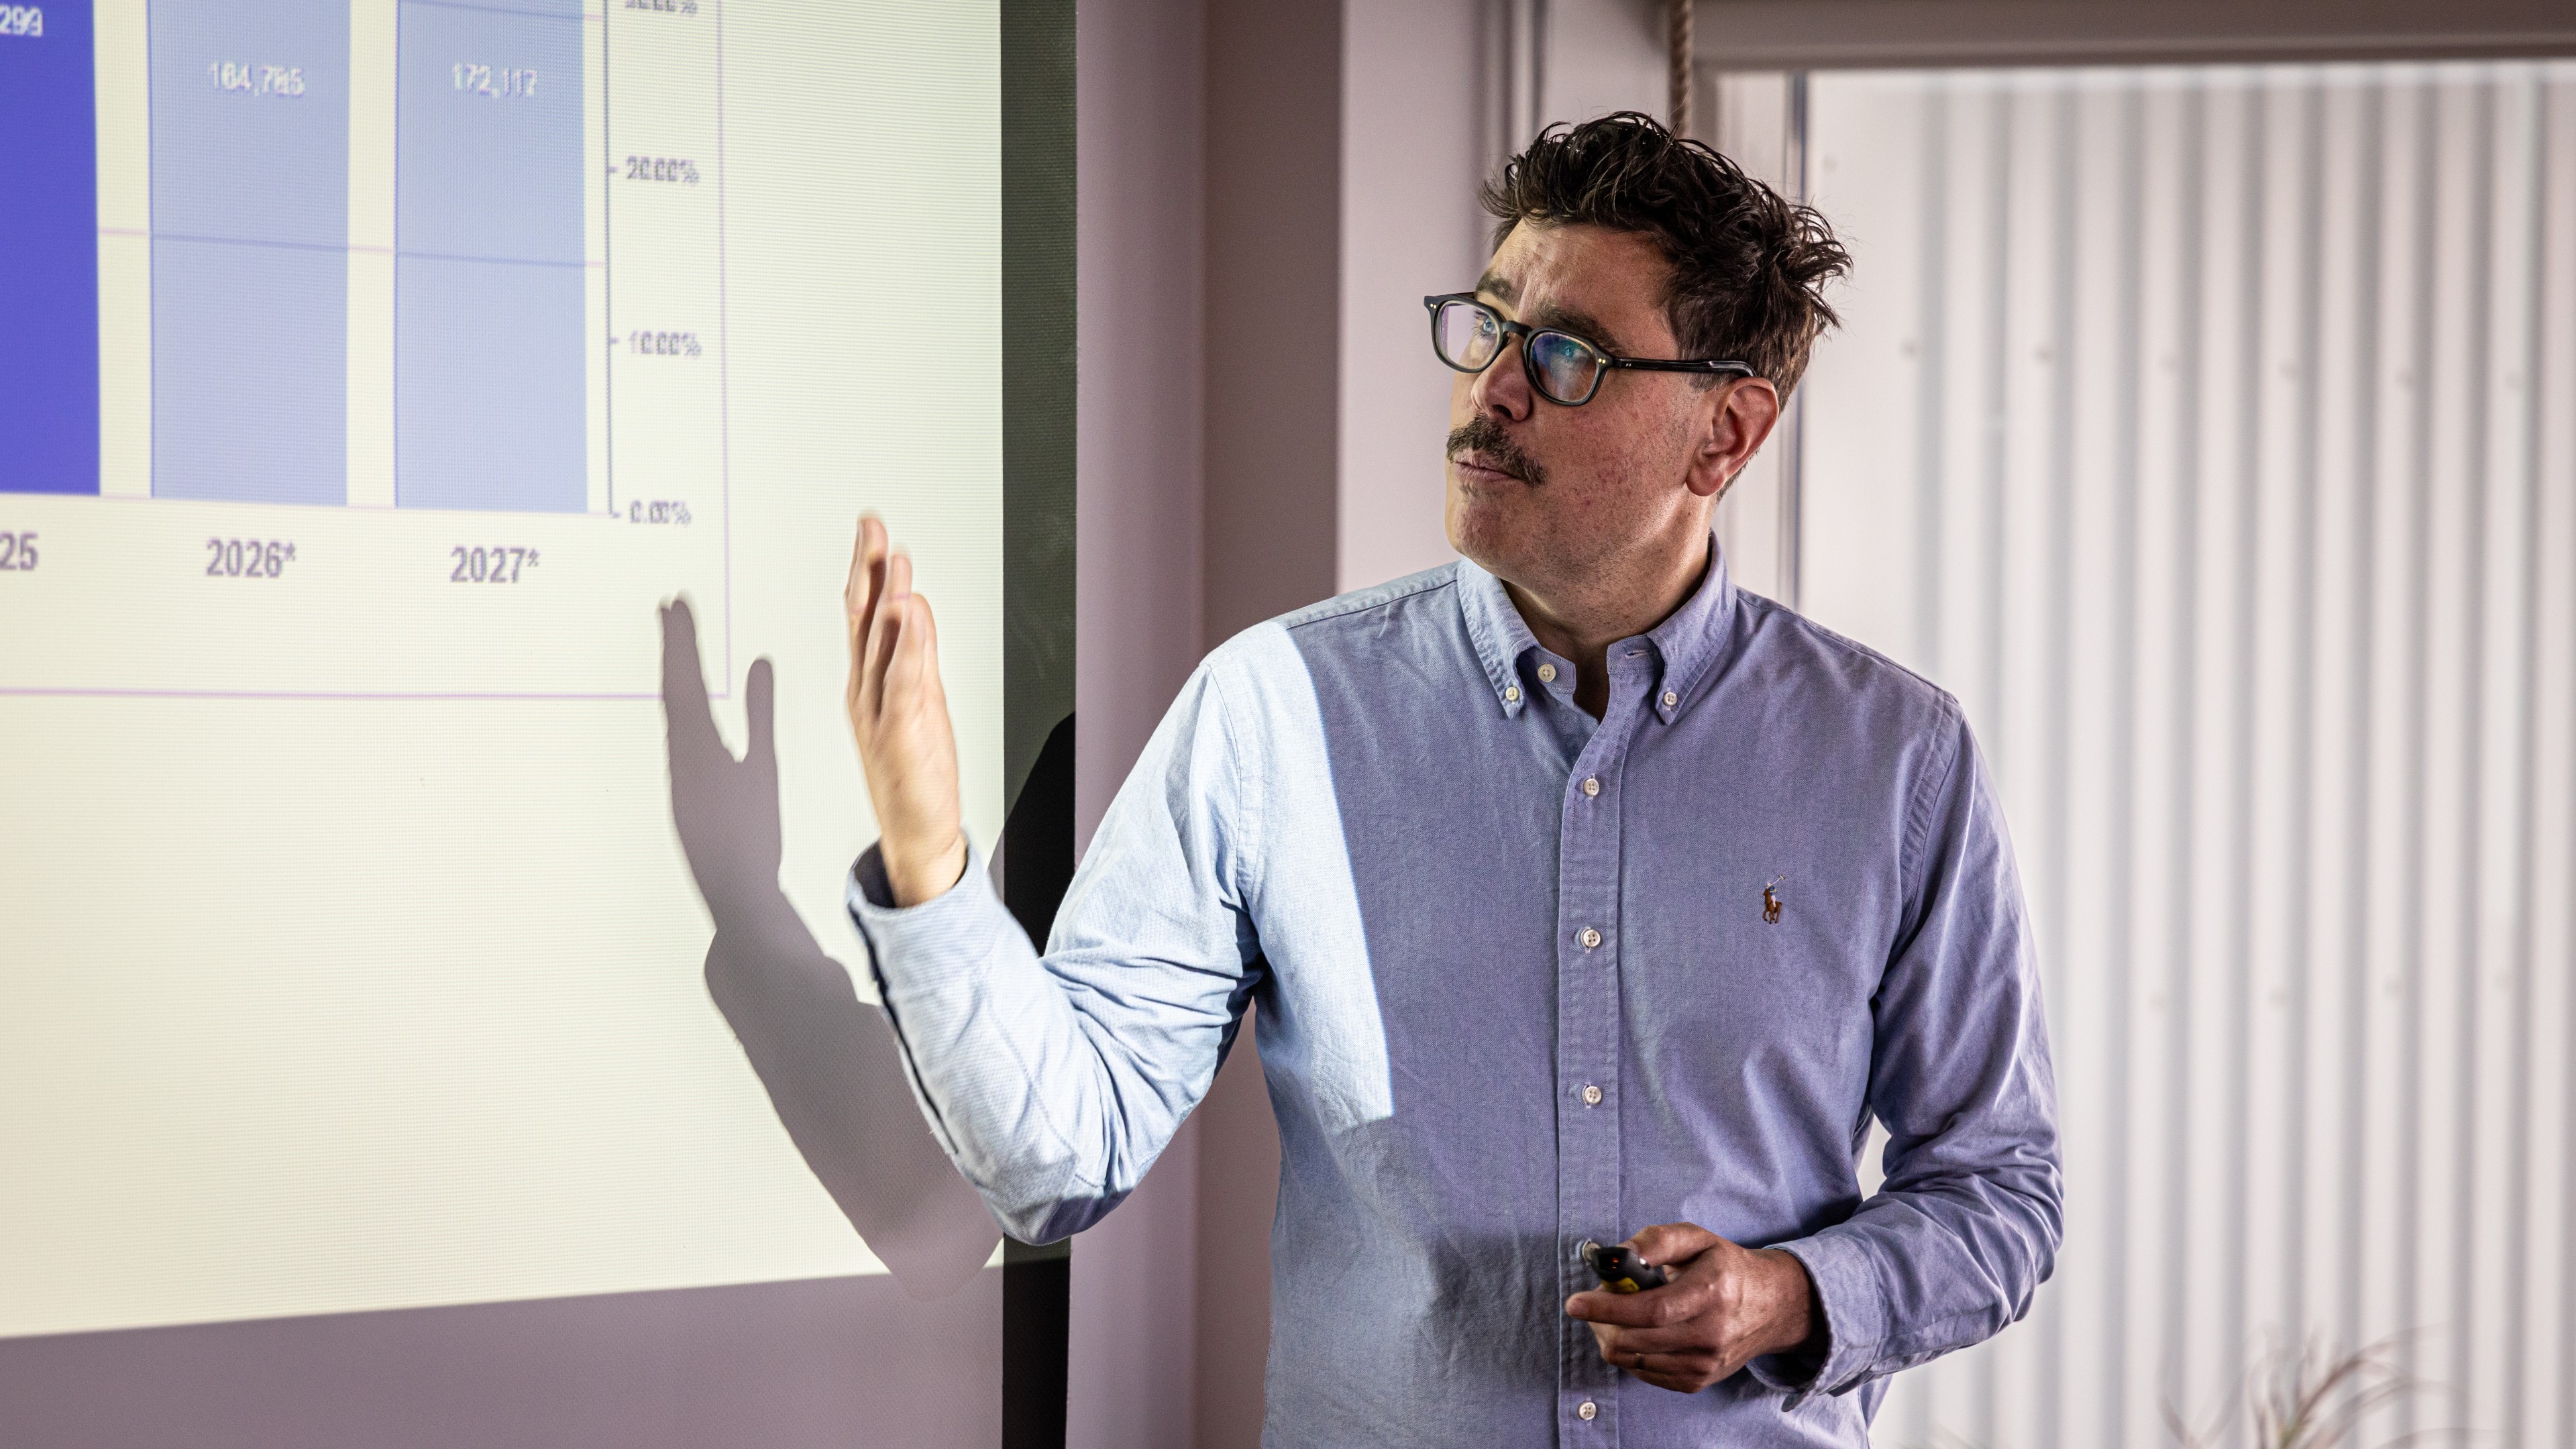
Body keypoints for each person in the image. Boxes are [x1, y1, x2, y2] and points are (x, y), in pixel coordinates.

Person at [840, 112, 2060, 1446]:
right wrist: (927, 855)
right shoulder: (1272, 714)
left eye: (1568, 355)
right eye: (1488, 327)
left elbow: (2000, 1191)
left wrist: (1788, 1297)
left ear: (1724, 435)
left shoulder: (1895, 762)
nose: (1495, 388)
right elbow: (1058, 1158)